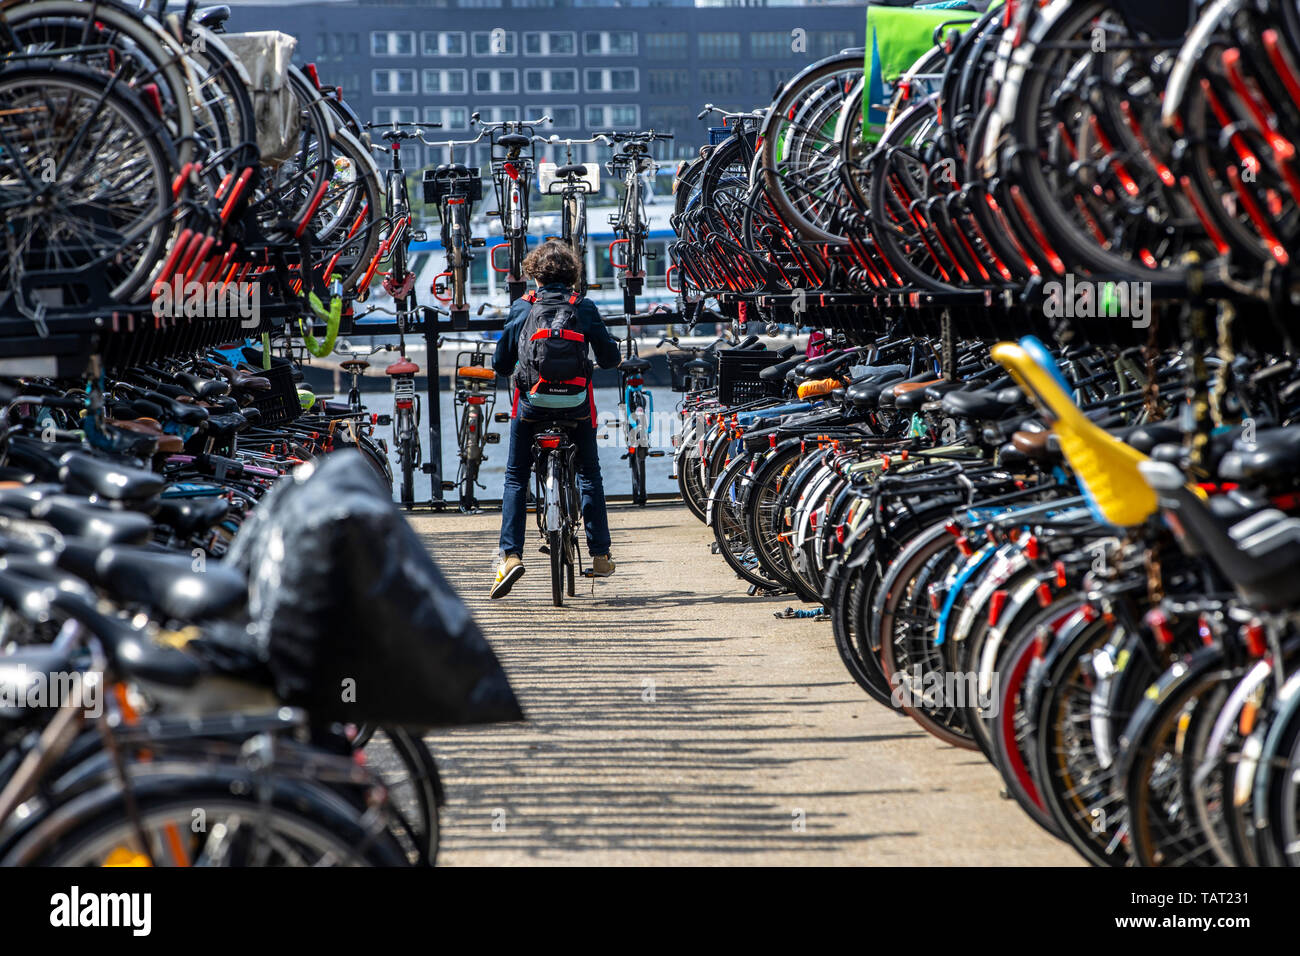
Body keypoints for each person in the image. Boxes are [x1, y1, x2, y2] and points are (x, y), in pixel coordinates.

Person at [490, 240, 621, 598]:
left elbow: (501, 362)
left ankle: (510, 556)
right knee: (589, 473)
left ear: (534, 275)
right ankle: (600, 554)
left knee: (516, 476)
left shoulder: (522, 307)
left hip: (531, 405)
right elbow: (609, 359)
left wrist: (507, 366)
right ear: (573, 276)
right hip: (577, 406)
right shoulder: (584, 307)